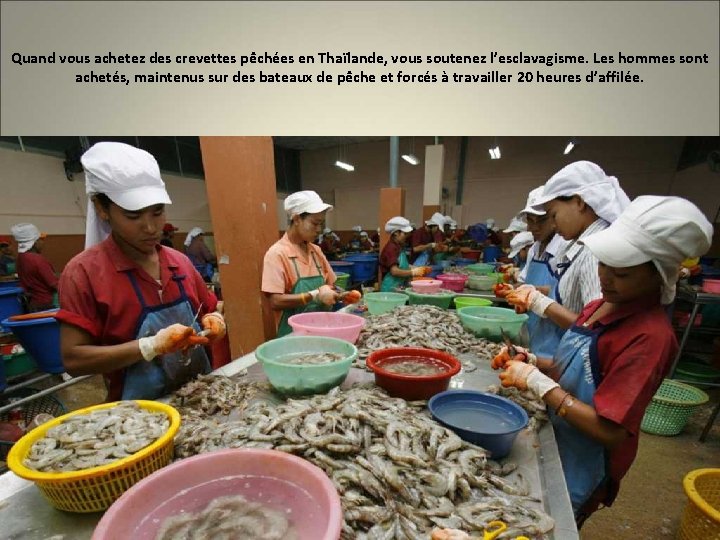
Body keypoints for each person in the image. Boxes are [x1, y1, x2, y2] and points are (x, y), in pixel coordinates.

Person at [493, 195, 713, 525]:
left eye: (622, 273)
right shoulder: (600, 306)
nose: (606, 278)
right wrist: (532, 360)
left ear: (660, 274)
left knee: (552, 524)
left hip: (585, 459)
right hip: (558, 435)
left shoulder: (649, 337)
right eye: (603, 264)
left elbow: (612, 432)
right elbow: (571, 365)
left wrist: (537, 383)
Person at [55, 142, 226, 401]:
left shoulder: (179, 262)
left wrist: (215, 318)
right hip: (139, 415)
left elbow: (212, 307)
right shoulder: (83, 273)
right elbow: (74, 358)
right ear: (102, 209)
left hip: (200, 399)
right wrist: (150, 346)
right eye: (133, 216)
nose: (150, 227)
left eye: (157, 212)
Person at [506, 161, 630, 331]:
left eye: (554, 215)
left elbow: (593, 326)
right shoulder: (579, 246)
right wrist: (534, 291)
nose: (554, 225)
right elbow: (570, 294)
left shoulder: (595, 251)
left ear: (579, 202)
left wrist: (540, 303)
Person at [262, 190, 341, 337]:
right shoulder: (277, 254)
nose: (319, 230)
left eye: (321, 224)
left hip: (322, 330)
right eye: (314, 223)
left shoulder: (315, 251)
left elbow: (331, 284)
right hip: (293, 336)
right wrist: (314, 295)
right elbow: (275, 301)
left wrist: (341, 294)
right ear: (297, 219)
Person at [508, 186, 570, 358]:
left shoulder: (563, 250)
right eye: (530, 220)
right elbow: (529, 283)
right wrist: (516, 291)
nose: (534, 227)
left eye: (541, 221)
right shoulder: (534, 249)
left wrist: (533, 297)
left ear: (554, 218)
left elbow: (563, 296)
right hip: (532, 329)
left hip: (554, 338)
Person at [11, 223, 58, 312]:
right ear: (34, 242)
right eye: (40, 240)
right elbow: (54, 284)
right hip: (45, 304)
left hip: (31, 304)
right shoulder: (38, 260)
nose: (42, 243)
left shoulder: (21, 258)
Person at [379, 217, 430, 291]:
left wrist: (416, 268)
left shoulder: (398, 246)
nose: (406, 237)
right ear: (396, 233)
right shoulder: (390, 248)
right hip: (390, 289)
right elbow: (394, 271)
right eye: (405, 234)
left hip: (398, 286)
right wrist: (413, 272)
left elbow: (402, 265)